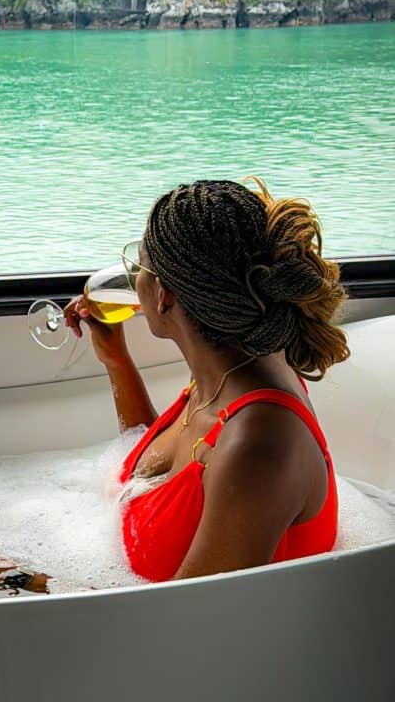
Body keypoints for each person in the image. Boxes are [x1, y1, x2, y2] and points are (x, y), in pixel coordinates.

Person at [64, 178, 349, 582]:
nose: (132, 280)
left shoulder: (258, 444)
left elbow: (188, 620)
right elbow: (156, 472)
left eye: (138, 268)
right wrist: (116, 361)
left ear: (163, 296)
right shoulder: (227, 366)